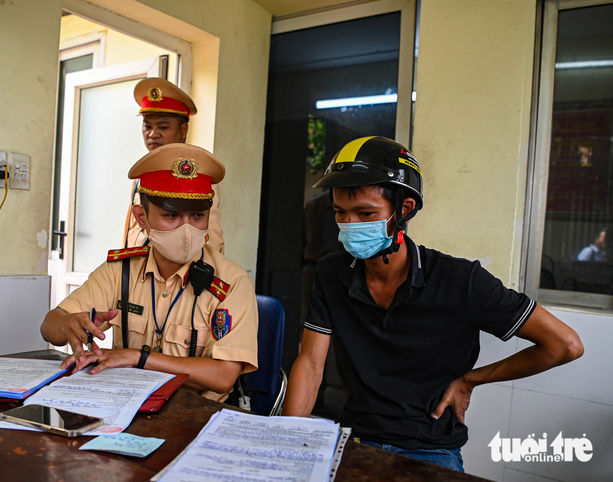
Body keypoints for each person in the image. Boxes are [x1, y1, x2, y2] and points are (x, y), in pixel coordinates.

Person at [282, 137, 584, 472]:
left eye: (365, 214)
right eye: (340, 213)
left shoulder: (461, 281)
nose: (350, 226)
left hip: (431, 453)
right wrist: (284, 442)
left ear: (405, 209)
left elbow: (565, 345)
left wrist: (471, 380)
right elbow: (310, 364)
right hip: (356, 440)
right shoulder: (331, 273)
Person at [41, 143, 258, 402]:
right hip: (126, 404)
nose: (186, 229)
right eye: (171, 216)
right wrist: (68, 324)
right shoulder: (120, 271)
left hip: (196, 416)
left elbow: (223, 377)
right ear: (141, 218)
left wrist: (139, 358)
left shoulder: (232, 282)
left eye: (198, 215)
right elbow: (49, 327)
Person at [123, 78, 224, 253]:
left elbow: (210, 239)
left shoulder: (198, 175)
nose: (153, 134)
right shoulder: (142, 173)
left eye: (163, 127)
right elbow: (132, 230)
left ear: (183, 130)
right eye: (147, 126)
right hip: (138, 271)